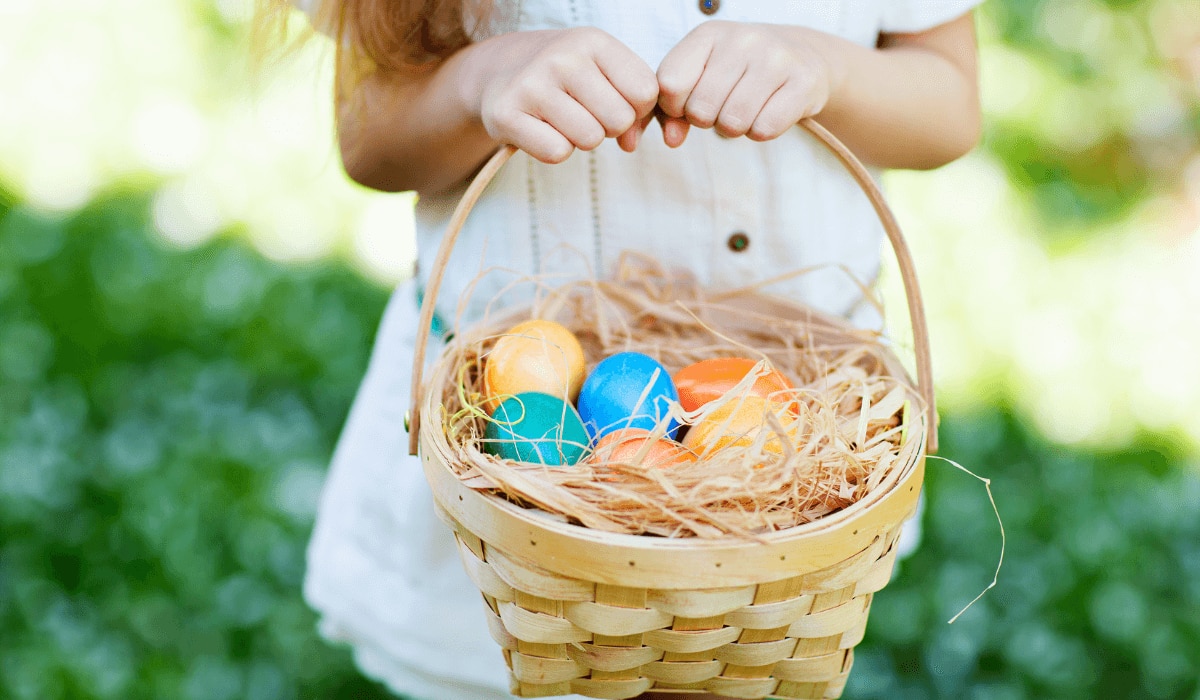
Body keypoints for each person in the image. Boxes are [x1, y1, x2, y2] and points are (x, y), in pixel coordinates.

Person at [268, 1, 983, 698]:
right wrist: (476, 84)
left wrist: (829, 69)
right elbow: (370, 138)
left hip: (790, 489)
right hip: (506, 508)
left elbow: (949, 108)